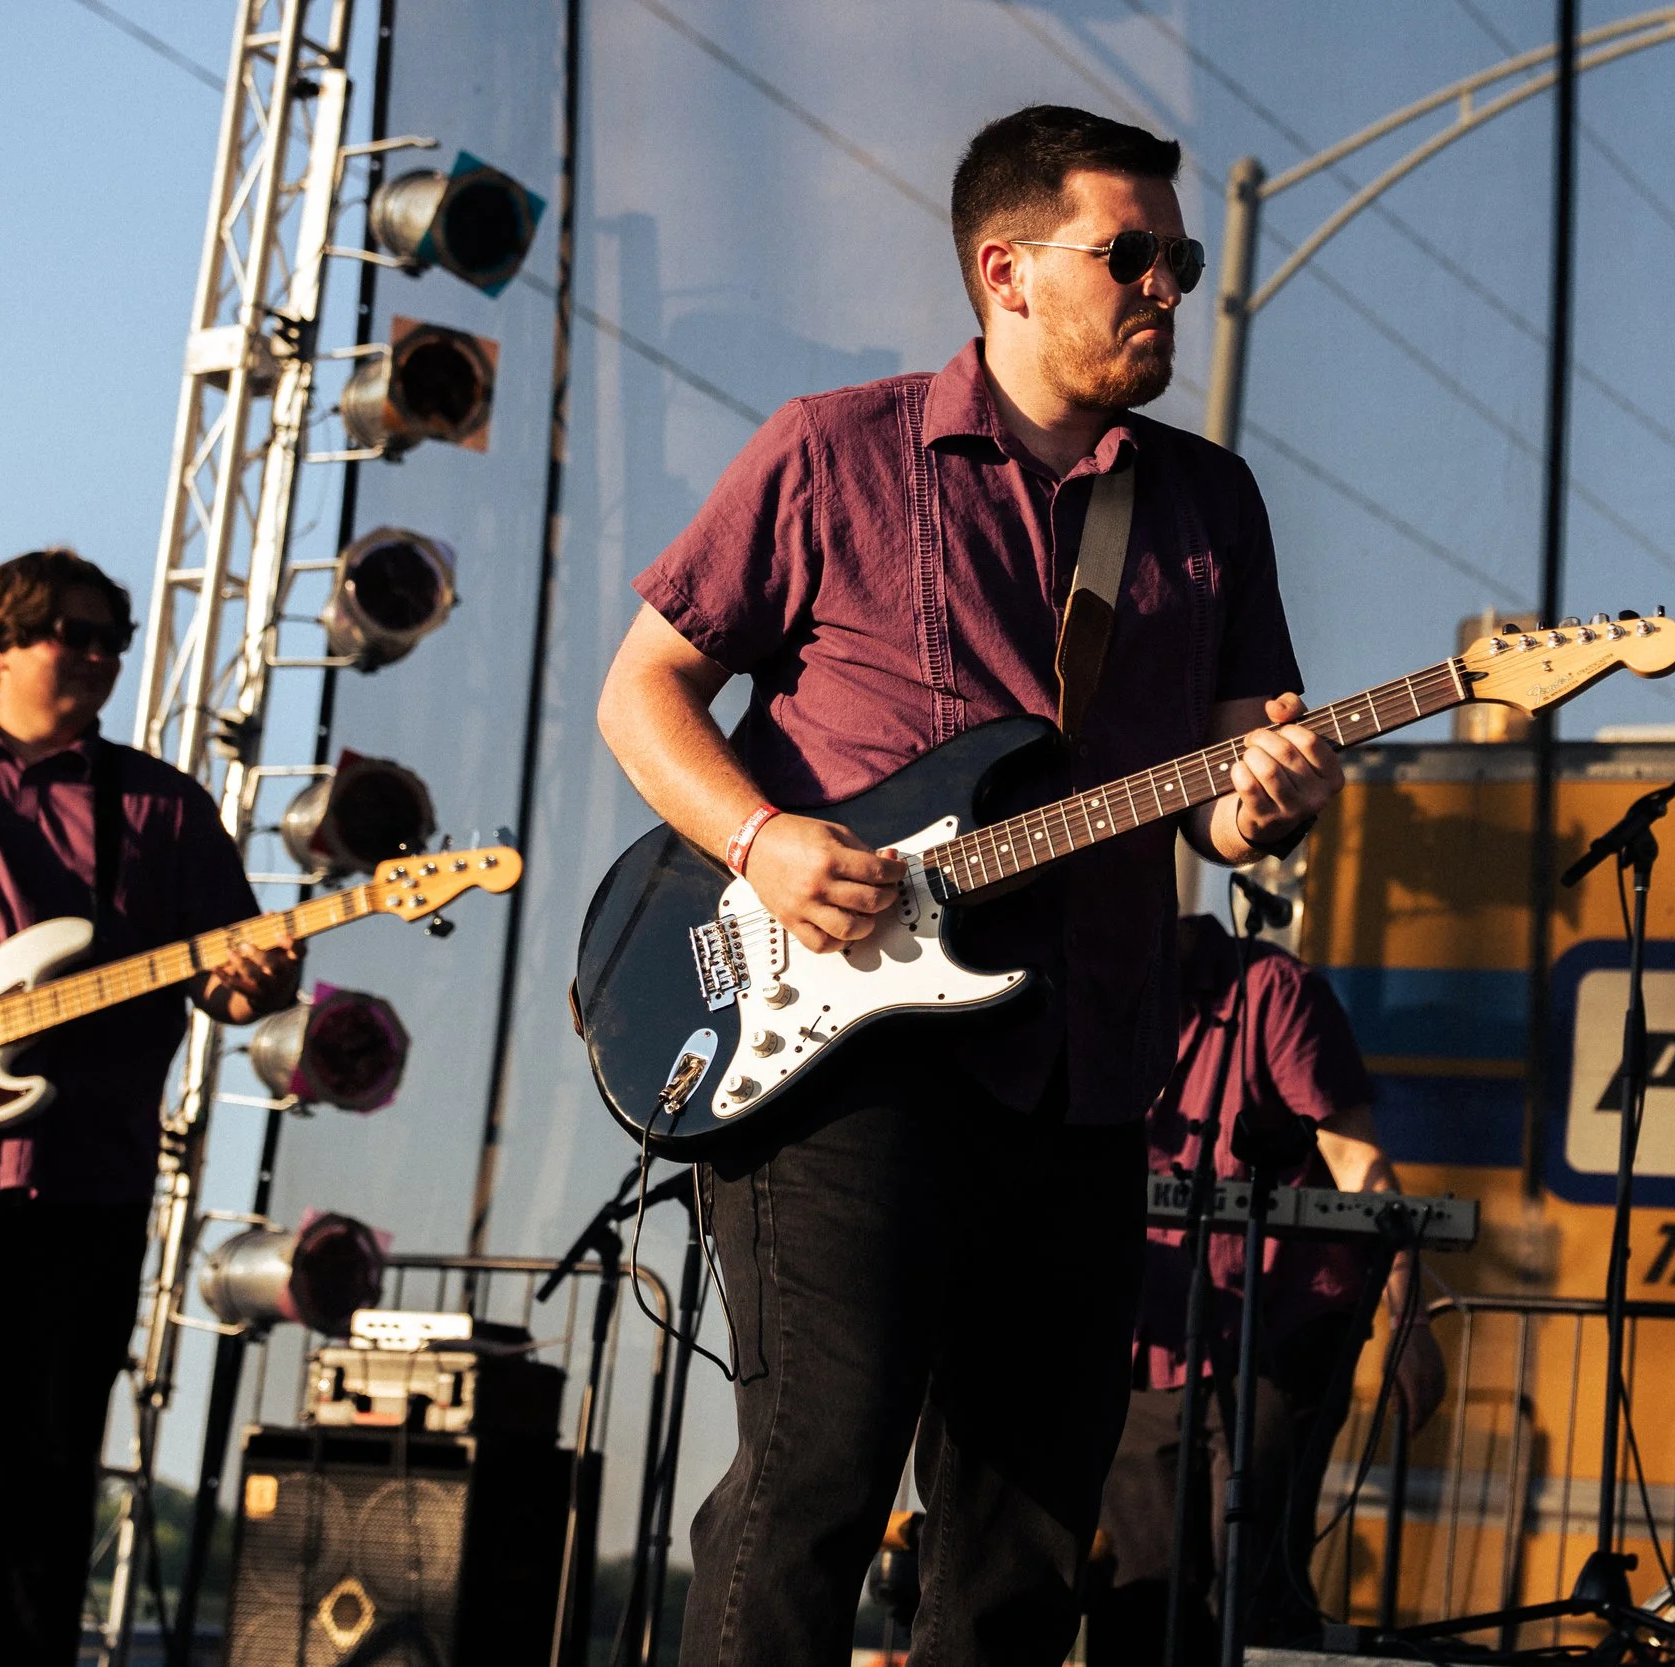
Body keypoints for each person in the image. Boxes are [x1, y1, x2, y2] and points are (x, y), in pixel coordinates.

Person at [595, 105, 1344, 1666]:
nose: (1167, 286)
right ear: (1005, 268)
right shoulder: (834, 450)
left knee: (1022, 1533)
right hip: (836, 1055)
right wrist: (764, 839)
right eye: (1129, 253)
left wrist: (1273, 799)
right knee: (815, 1478)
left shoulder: (1209, 504)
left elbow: (1225, 799)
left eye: (1181, 259)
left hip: (1087, 1061)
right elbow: (641, 693)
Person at [0, 548, 301, 1665]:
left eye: (111, 639)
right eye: (68, 633)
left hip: (84, 1181)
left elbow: (234, 980)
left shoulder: (162, 808)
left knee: (47, 1480)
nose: (96, 655)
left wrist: (263, 978)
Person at [1088, 913, 1447, 1661]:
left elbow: (1358, 1167)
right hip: (1146, 1339)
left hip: (1279, 1332)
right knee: (1142, 1596)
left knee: (1250, 1593)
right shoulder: (1095, 998)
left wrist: (1407, 1317)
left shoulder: (1273, 990)